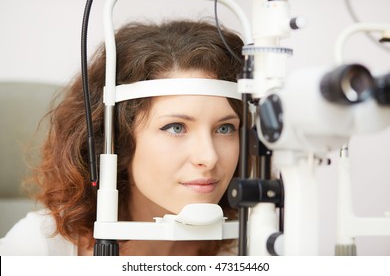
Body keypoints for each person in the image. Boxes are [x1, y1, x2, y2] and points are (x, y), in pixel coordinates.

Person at [0, 19, 244, 255]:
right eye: (175, 127)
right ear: (115, 141)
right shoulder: (40, 248)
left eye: (225, 129)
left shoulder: (250, 247)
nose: (209, 157)